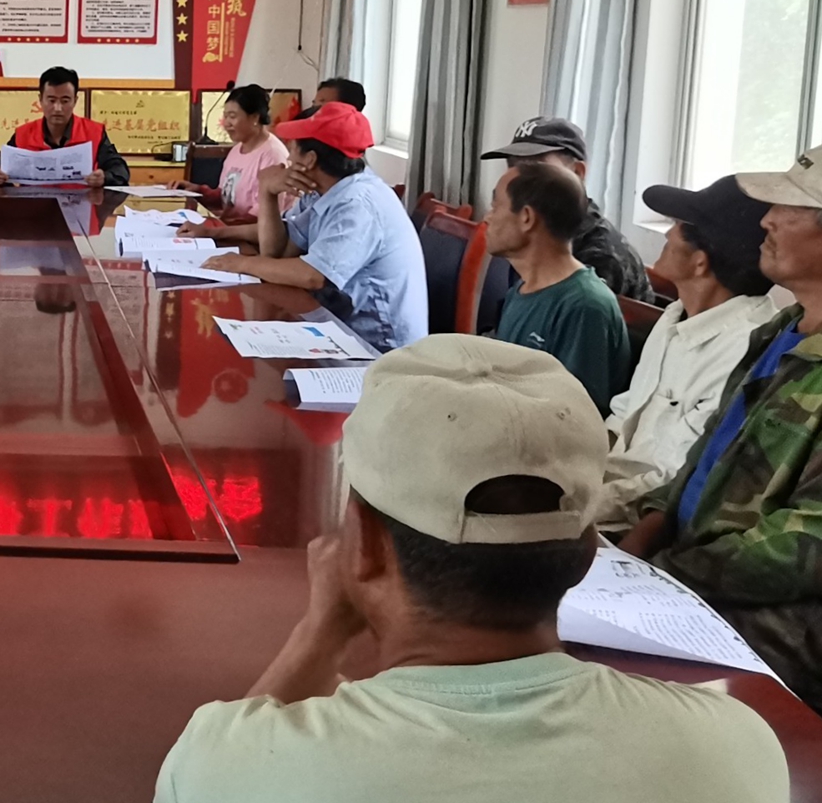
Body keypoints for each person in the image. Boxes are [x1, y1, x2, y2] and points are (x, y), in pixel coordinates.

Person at [155, 334, 787, 803]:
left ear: (363, 546)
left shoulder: (226, 766)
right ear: (589, 550)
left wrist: (319, 634)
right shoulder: (735, 745)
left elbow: (223, 756)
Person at [619, 145, 822, 707]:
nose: (766, 220)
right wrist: (644, 535)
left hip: (776, 628)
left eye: (788, 209)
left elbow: (805, 543)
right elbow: (706, 458)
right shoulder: (781, 331)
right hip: (686, 581)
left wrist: (665, 575)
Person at [598, 176, 779, 528]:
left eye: (679, 225)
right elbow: (624, 416)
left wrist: (574, 506)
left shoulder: (746, 350)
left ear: (700, 261)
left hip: (642, 520)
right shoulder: (676, 315)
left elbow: (674, 480)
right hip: (608, 491)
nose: (667, 234)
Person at [202, 103, 425, 352]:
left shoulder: (358, 203)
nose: (288, 159)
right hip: (338, 325)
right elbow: (278, 253)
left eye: (292, 150)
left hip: (379, 349)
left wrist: (241, 263)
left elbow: (313, 276)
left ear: (310, 159)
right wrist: (267, 192)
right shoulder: (322, 191)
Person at [486, 161, 630, 412]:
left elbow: (571, 418)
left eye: (496, 206)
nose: (487, 218)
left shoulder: (584, 306)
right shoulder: (521, 290)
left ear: (527, 218)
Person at [482, 117, 653, 301]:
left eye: (534, 168)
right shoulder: (529, 233)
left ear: (577, 172)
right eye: (513, 166)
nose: (518, 179)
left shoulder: (600, 255)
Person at [0, 67, 128, 189]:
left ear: (75, 101)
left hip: (79, 207)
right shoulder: (23, 134)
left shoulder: (94, 132)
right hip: (34, 209)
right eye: (51, 100)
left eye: (65, 101)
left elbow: (120, 171)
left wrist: (104, 177)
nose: (58, 108)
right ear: (41, 100)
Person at [173, 84, 287, 220]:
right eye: (225, 116)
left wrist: (218, 225)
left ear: (255, 118)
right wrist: (197, 191)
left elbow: (264, 219)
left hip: (250, 232)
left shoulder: (272, 155)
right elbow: (225, 197)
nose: (226, 123)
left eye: (232, 117)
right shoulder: (237, 150)